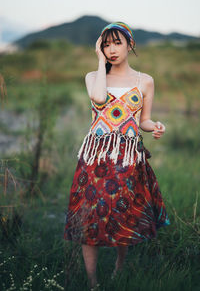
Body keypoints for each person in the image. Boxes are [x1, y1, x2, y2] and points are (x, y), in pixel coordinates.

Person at [63, 21, 170, 290]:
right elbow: (99, 99)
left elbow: (143, 120)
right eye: (106, 44)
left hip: (128, 158)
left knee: (124, 216)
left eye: (117, 43)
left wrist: (156, 126)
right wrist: (100, 62)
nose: (111, 49)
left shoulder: (145, 81)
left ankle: (119, 268)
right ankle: (92, 282)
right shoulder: (93, 76)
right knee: (90, 217)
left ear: (130, 45)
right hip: (95, 158)